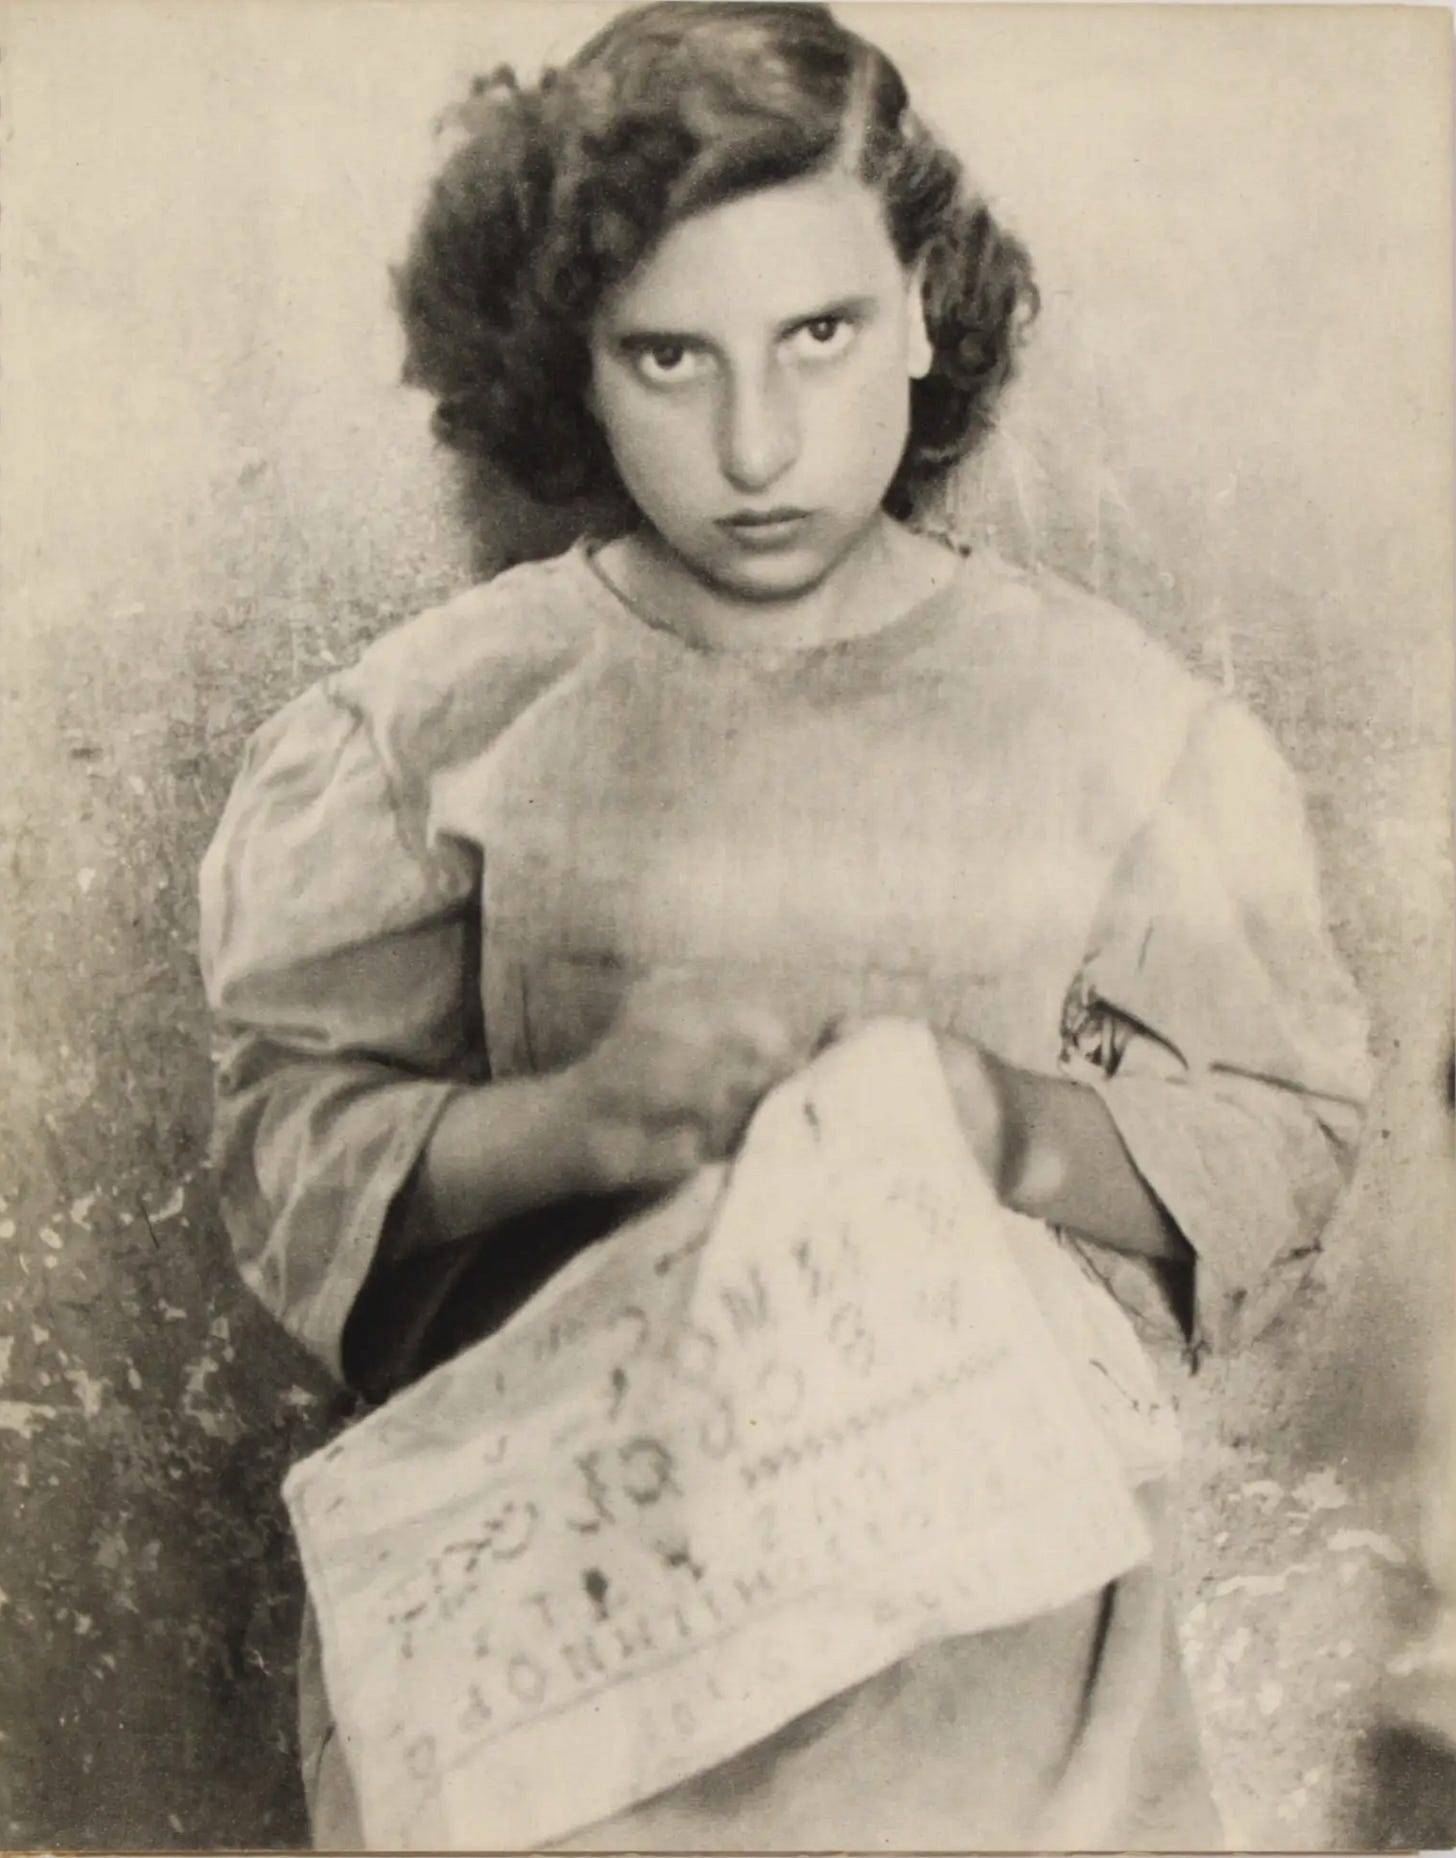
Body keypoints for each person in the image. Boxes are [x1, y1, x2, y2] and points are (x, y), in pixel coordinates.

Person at [197, 3, 1372, 1846]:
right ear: (577, 364)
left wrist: (1006, 1123)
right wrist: (573, 1120)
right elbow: (292, 1150)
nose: (757, 442)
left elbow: (1285, 1131)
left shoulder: (1114, 722)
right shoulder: (439, 724)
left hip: (996, 1665)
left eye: (818, 334)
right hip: (586, 1644)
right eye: (669, 356)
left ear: (920, 308)